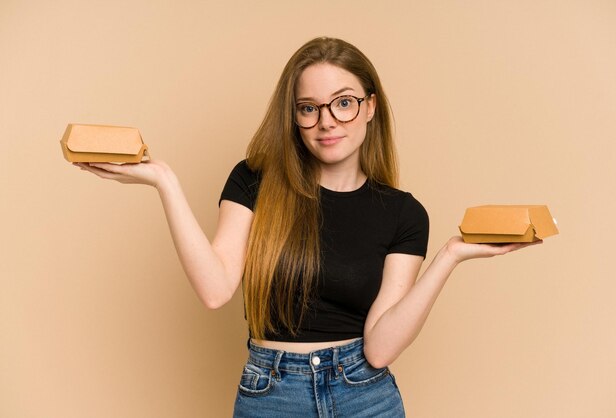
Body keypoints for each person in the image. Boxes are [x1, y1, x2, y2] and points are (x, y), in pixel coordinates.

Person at [76, 37, 540, 417]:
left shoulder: (403, 213)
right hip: (271, 392)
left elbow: (379, 349)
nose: (326, 122)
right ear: (294, 116)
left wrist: (450, 255)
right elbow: (215, 289)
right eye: (308, 108)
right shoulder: (254, 180)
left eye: (344, 103)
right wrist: (165, 182)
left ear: (371, 106)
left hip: (365, 394)